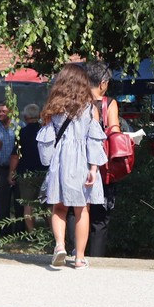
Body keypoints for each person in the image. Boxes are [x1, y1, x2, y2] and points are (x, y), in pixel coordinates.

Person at [38, 63, 107, 270]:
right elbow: (93, 140)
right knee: (82, 210)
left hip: (60, 162)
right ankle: (79, 258)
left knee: (58, 207)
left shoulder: (53, 109)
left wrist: (49, 163)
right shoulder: (90, 109)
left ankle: (60, 246)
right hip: (82, 163)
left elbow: (46, 141)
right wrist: (94, 168)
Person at [84, 61, 120, 257]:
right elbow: (114, 133)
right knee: (100, 219)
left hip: (78, 163)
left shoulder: (76, 101)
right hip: (102, 166)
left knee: (76, 212)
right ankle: (96, 259)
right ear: (103, 83)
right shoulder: (109, 103)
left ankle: (75, 253)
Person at [9, 103, 46, 231]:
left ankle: (31, 233)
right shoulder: (45, 130)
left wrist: (11, 172)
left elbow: (15, 156)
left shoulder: (22, 133)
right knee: (48, 204)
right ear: (39, 115)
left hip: (26, 173)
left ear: (25, 117)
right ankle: (52, 233)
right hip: (45, 171)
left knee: (28, 204)